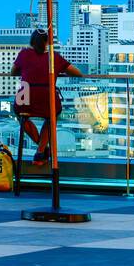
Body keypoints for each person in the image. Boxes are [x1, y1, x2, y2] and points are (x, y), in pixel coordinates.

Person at [11, 28, 83, 167]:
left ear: (32, 41)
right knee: (51, 116)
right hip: (47, 97)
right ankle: (41, 150)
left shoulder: (24, 54)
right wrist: (58, 72)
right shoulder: (53, 57)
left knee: (21, 114)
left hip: (25, 97)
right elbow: (78, 73)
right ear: (48, 42)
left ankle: (41, 149)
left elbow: (12, 72)